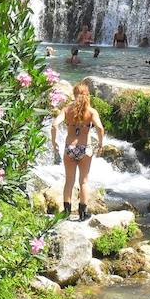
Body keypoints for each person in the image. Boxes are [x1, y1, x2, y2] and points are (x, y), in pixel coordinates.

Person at [51, 84, 105, 221]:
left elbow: (54, 124)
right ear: (87, 94)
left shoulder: (67, 109)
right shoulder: (92, 112)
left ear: (74, 94)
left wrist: (54, 142)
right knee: (84, 182)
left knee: (69, 181)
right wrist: (100, 143)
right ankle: (82, 214)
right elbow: (99, 127)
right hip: (85, 148)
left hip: (69, 148)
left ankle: (66, 213)